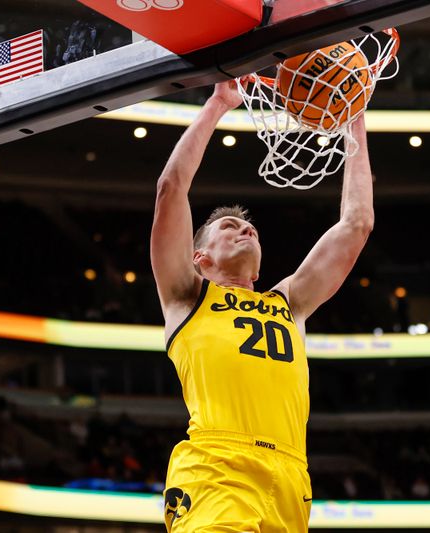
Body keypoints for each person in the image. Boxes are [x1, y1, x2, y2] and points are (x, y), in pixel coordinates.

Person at [150, 79, 374, 532]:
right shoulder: (187, 294)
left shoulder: (289, 301)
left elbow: (357, 223)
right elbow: (171, 188)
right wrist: (219, 104)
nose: (245, 230)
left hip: (291, 476)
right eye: (230, 227)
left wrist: (354, 117)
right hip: (218, 467)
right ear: (201, 257)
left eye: (251, 229)